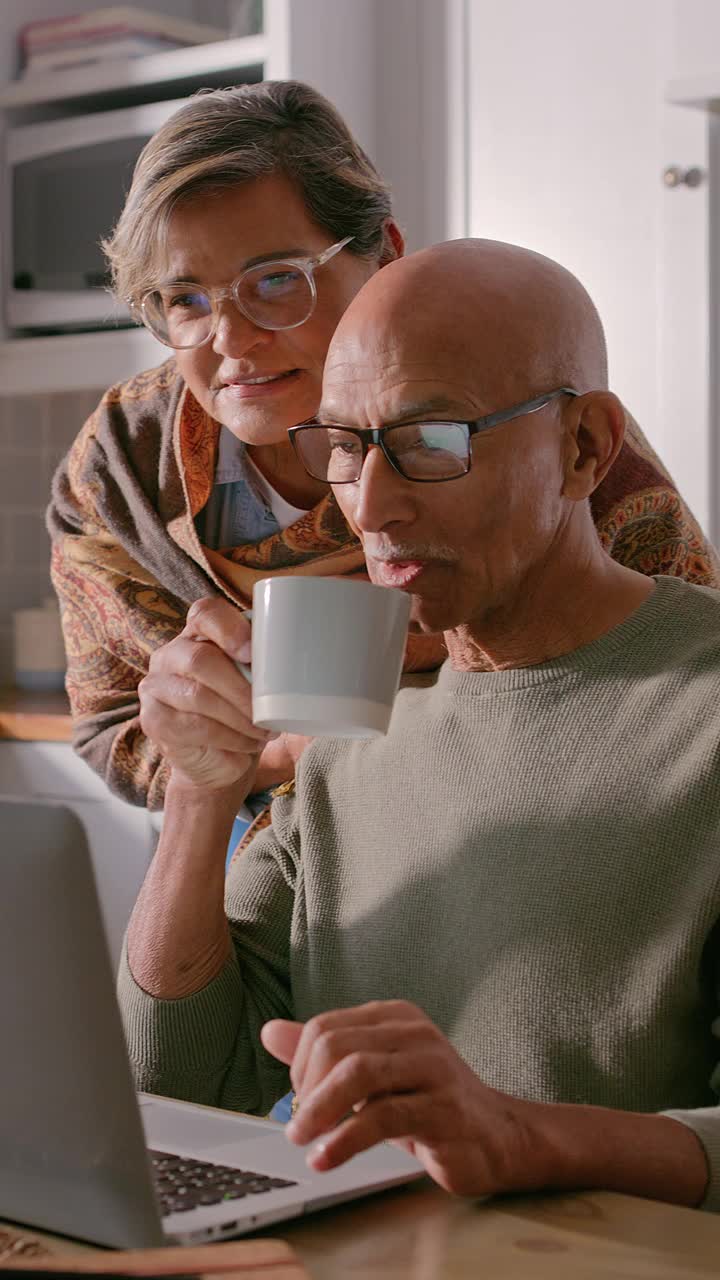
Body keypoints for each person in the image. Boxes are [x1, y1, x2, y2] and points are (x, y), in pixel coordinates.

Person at [120, 239, 720, 1211]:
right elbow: (181, 1086)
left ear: (586, 447)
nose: (373, 505)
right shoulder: (349, 741)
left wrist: (519, 1134)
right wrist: (198, 795)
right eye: (346, 445)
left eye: (434, 440)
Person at [48, 81, 719, 826]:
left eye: (276, 282)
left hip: (530, 817)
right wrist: (260, 759)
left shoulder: (522, 413)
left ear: (383, 255)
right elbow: (112, 727)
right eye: (186, 300)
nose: (231, 343)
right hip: (253, 836)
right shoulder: (125, 466)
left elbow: (679, 664)